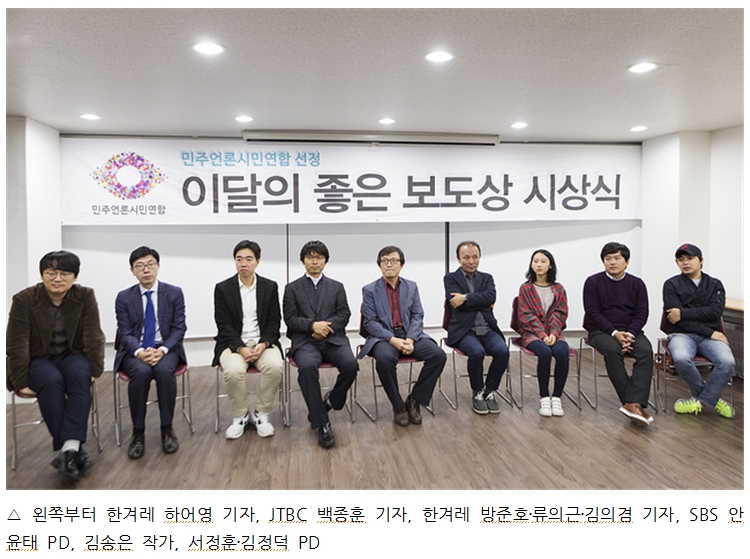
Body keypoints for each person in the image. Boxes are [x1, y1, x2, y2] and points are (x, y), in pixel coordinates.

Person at [6, 250, 105, 480]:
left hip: (72, 354)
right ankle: (74, 450)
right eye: (51, 273)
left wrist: (94, 368)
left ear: (75, 277)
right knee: (51, 381)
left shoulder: (85, 296)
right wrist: (19, 380)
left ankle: (68, 450)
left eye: (64, 273)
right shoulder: (24, 300)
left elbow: (94, 335)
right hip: (39, 358)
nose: (57, 278)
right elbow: (16, 343)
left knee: (80, 376)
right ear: (42, 275)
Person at [358, 246, 446, 426]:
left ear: (402, 265)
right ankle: (398, 405)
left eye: (393, 261)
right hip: (384, 337)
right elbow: (370, 322)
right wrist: (393, 340)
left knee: (438, 355)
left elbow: (417, 315)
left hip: (409, 335)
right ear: (379, 265)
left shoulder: (411, 286)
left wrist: (411, 339)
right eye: (384, 261)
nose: (389, 264)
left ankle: (414, 400)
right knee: (384, 360)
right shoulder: (369, 290)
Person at [283, 240, 358, 448]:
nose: (314, 261)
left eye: (319, 257)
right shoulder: (292, 288)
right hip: (306, 341)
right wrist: (312, 326)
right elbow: (290, 318)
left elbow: (344, 314)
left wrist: (325, 327)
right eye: (310, 257)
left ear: (325, 261)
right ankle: (322, 423)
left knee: (351, 365)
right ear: (303, 261)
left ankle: (332, 400)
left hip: (333, 339)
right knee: (307, 367)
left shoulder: (337, 287)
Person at [114, 246, 187, 459]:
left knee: (164, 372)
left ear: (158, 266)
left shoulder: (173, 293)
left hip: (166, 347)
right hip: (135, 350)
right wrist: (139, 352)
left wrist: (162, 350)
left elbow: (179, 328)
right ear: (132, 271)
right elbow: (125, 332)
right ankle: (138, 433)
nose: (146, 270)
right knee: (141, 372)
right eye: (140, 266)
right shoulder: (124, 297)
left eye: (150, 264)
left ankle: (167, 429)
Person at [213, 240, 284, 440]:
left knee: (275, 366)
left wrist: (263, 344)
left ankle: (261, 413)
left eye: (248, 259)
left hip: (263, 342)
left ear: (257, 261)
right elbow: (223, 324)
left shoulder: (269, 286)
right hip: (233, 344)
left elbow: (274, 321)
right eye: (239, 259)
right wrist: (240, 347)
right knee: (234, 370)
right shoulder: (223, 288)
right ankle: (241, 416)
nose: (243, 263)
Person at [583, 241, 654, 426]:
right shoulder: (593, 282)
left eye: (617, 258)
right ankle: (632, 403)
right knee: (613, 350)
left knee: (646, 351)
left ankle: (633, 403)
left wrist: (630, 334)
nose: (612, 262)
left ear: (627, 261)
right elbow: (593, 313)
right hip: (601, 331)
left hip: (631, 331)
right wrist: (615, 333)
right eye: (608, 259)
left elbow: (642, 313)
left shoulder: (637, 284)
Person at [663, 243, 735, 418]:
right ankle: (714, 400)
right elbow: (674, 319)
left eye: (690, 258)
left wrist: (683, 313)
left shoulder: (715, 284)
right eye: (681, 260)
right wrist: (709, 331)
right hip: (682, 334)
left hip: (710, 337)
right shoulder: (671, 284)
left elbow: (715, 312)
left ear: (701, 260)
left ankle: (701, 402)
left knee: (727, 362)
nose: (685, 262)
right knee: (681, 358)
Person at [444, 240, 509, 414]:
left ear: (480, 257)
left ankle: (490, 390)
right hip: (465, 331)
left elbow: (491, 297)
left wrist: (465, 298)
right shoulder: (451, 278)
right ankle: (478, 391)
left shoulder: (487, 278)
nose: (471, 261)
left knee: (502, 352)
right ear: (458, 259)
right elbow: (456, 304)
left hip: (487, 328)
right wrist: (481, 301)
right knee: (477, 352)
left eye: (475, 257)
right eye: (466, 257)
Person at [515, 249, 570, 417]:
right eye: (536, 261)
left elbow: (560, 313)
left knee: (562, 351)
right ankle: (544, 397)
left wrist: (553, 333)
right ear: (531, 265)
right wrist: (542, 334)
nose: (539, 264)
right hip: (531, 333)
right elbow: (525, 315)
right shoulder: (526, 288)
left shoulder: (559, 288)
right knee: (545, 352)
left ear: (550, 265)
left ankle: (557, 397)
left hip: (554, 332)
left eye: (543, 261)